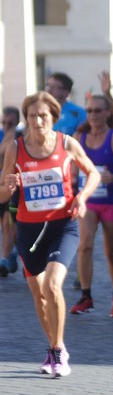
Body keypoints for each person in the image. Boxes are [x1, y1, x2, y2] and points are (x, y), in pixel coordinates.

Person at [0, 91, 100, 376]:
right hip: (29, 229)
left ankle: (56, 352)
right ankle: (56, 345)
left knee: (52, 286)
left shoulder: (67, 143)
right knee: (38, 294)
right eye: (32, 116)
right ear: (26, 119)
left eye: (43, 115)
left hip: (63, 225)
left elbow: (93, 173)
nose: (37, 121)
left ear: (53, 117)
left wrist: (82, 197)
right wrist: (8, 186)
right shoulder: (14, 149)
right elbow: (2, 191)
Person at [69, 94, 113, 317]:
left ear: (107, 113)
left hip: (111, 202)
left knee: (111, 251)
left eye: (97, 110)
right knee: (84, 245)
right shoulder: (79, 137)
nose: (92, 115)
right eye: (89, 111)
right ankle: (86, 297)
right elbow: (74, 169)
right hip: (88, 200)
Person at [0, 106, 22, 276]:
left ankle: (6, 259)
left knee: (10, 226)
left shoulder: (17, 138)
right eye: (4, 122)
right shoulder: (3, 136)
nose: (7, 125)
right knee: (5, 226)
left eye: (11, 123)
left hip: (11, 188)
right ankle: (11, 255)